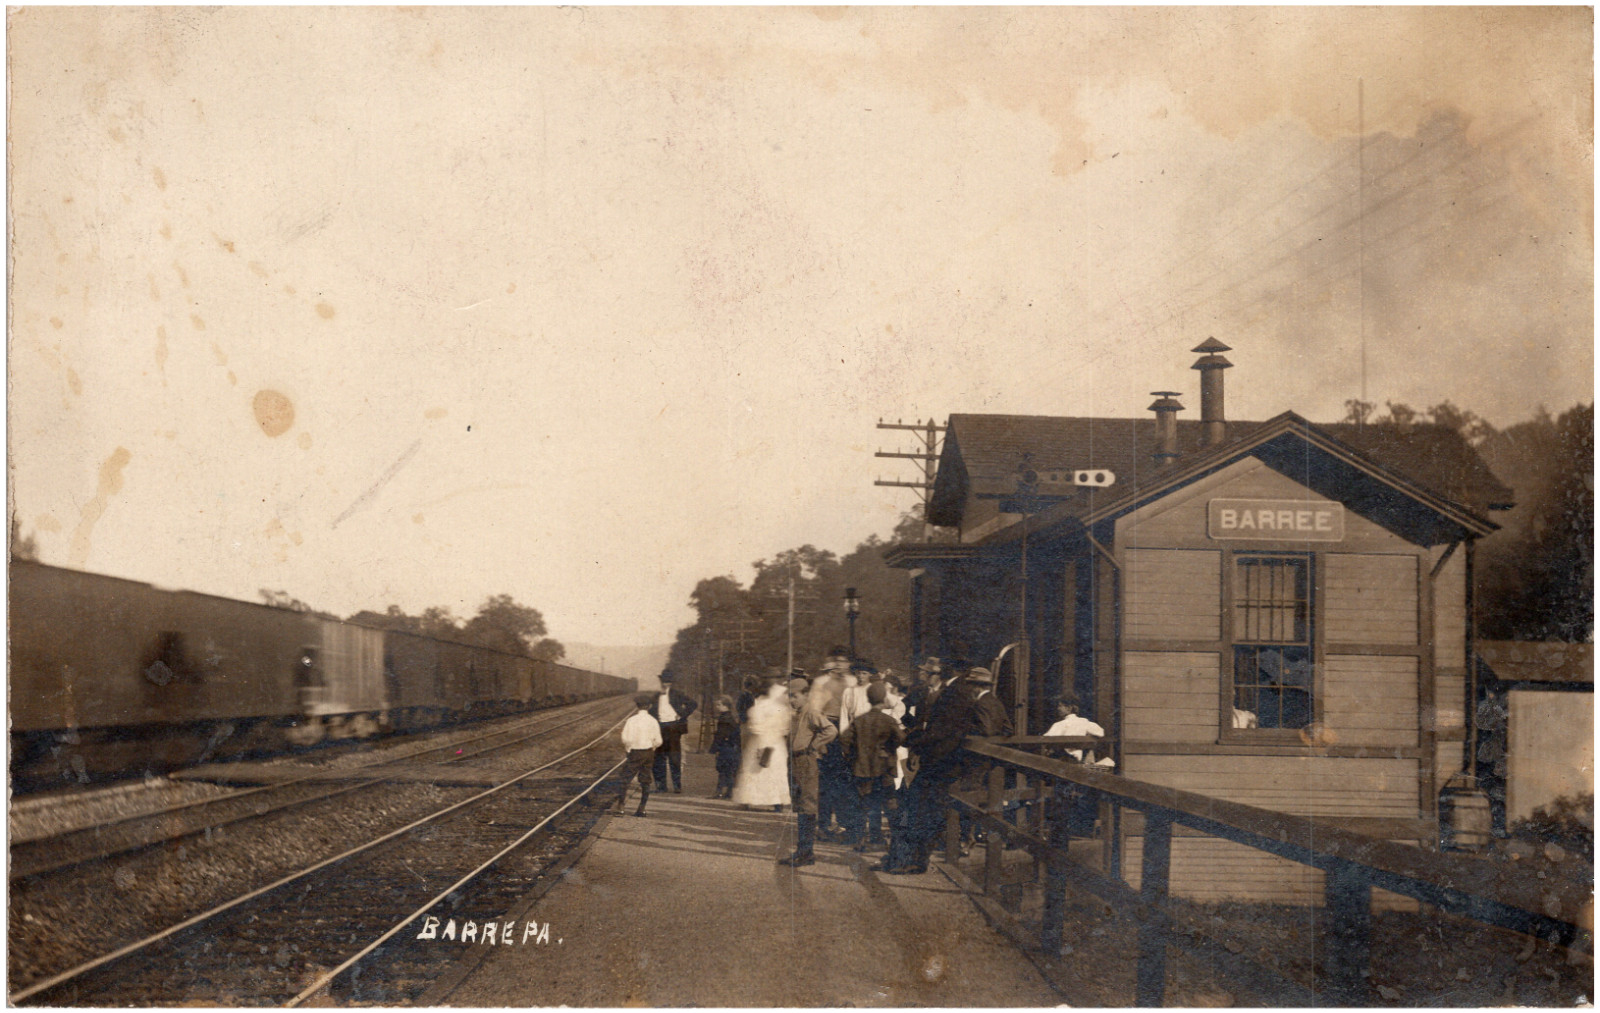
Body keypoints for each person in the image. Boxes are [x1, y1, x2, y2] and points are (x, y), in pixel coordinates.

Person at [779, 677, 837, 867]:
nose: (792, 700)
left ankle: (806, 852)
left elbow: (830, 730)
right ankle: (803, 850)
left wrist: (814, 745)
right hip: (795, 761)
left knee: (807, 806)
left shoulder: (811, 712)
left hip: (806, 761)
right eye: (789, 697)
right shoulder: (796, 714)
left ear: (805, 695)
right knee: (800, 805)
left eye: (794, 696)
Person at [841, 681, 904, 852]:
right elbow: (900, 739)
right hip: (885, 769)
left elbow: (845, 740)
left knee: (863, 804)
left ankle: (860, 840)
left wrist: (854, 758)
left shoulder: (859, 721)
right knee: (889, 803)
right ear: (883, 700)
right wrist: (888, 749)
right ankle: (891, 842)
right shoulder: (889, 720)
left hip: (862, 769)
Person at [733, 680, 791, 810]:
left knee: (753, 770)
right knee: (776, 772)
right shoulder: (782, 708)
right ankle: (777, 801)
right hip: (777, 742)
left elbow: (755, 726)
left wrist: (758, 730)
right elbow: (785, 727)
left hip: (760, 739)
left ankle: (748, 799)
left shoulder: (759, 706)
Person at [649, 669, 698, 794]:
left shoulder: (677, 694)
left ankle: (677, 786)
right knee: (658, 759)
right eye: (664, 682)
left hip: (673, 729)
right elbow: (651, 712)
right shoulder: (656, 696)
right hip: (660, 729)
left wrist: (681, 715)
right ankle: (661, 787)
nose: (665, 684)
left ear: (671, 683)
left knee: (674, 758)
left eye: (667, 682)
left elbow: (693, 704)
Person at [616, 692, 663, 817]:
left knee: (625, 779)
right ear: (649, 706)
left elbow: (625, 738)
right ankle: (641, 809)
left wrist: (629, 749)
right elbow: (658, 741)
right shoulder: (653, 721)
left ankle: (621, 807)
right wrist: (652, 747)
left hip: (634, 753)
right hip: (648, 753)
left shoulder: (631, 720)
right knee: (646, 780)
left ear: (637, 706)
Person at [709, 695, 741, 799]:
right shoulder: (730, 717)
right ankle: (728, 792)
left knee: (723, 770)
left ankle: (720, 792)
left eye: (719, 705)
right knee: (729, 770)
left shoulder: (724, 719)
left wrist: (715, 748)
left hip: (725, 747)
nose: (717, 707)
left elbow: (721, 735)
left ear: (725, 706)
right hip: (731, 747)